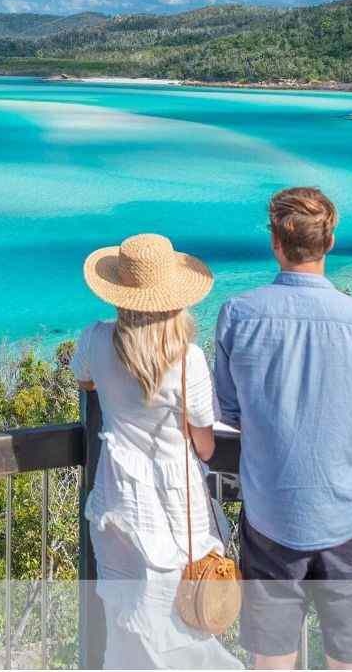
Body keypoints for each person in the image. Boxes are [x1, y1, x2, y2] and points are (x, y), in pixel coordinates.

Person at [213, 186, 352, 670]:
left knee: (271, 658)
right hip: (343, 516)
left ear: (275, 242)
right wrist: (342, 445)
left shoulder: (238, 314)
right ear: (331, 241)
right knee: (351, 658)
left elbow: (229, 410)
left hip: (269, 515)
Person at [74, 233, 242, 671]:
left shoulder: (95, 340)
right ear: (174, 299)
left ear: (119, 292)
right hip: (176, 506)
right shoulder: (187, 359)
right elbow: (204, 446)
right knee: (181, 624)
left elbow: (84, 379)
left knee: (125, 621)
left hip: (117, 504)